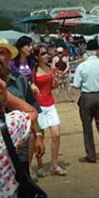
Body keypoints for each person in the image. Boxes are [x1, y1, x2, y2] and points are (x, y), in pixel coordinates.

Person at [0, 38, 45, 179]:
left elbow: (31, 108)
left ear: (9, 56)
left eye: (1, 53)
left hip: (20, 146)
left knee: (21, 182)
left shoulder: (20, 79)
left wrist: (38, 135)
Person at [72, 48, 99, 166]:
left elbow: (76, 85)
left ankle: (91, 155)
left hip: (87, 96)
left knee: (87, 127)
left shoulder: (81, 66)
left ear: (86, 52)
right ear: (98, 52)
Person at [32, 46, 66, 176]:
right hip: (38, 106)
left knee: (56, 135)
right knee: (40, 137)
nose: (46, 55)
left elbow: (53, 86)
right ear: (37, 57)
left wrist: (57, 80)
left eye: (47, 53)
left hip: (50, 103)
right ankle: (40, 165)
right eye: (43, 54)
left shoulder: (51, 69)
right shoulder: (33, 71)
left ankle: (54, 165)